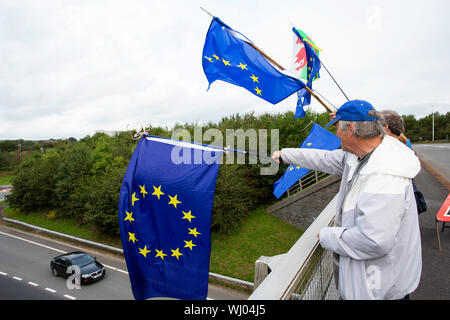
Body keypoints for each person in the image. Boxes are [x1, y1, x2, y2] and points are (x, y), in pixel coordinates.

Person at [272, 100, 422, 300]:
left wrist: (328, 236)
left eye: (337, 129)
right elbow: (323, 159)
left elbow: (374, 241)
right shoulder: (360, 154)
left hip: (380, 291)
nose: (336, 134)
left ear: (350, 128)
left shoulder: (384, 176)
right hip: (368, 286)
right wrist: (286, 155)